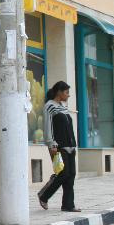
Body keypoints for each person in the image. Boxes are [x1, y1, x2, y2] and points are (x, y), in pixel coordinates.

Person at [38, 81, 79, 212]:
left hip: (70, 146)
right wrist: (51, 143)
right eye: (67, 92)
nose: (68, 95)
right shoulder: (49, 106)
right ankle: (44, 195)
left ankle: (68, 205)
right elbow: (47, 126)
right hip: (58, 146)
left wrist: (73, 145)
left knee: (71, 175)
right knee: (63, 173)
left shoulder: (62, 107)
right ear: (59, 92)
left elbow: (69, 128)